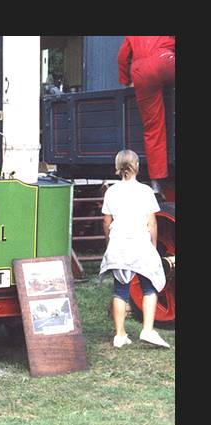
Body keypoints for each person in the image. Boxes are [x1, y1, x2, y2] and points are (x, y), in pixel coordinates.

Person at [99, 150, 168, 348]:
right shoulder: (145, 191)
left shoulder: (111, 191)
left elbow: (106, 221)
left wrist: (108, 241)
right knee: (149, 287)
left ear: (118, 166)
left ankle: (120, 335)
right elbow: (152, 223)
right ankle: (147, 330)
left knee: (120, 290)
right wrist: (153, 247)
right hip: (140, 243)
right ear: (137, 165)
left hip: (119, 243)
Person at [117, 36, 175, 197]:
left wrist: (125, 80)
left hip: (141, 70)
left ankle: (156, 183)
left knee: (153, 128)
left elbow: (122, 56)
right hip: (165, 59)